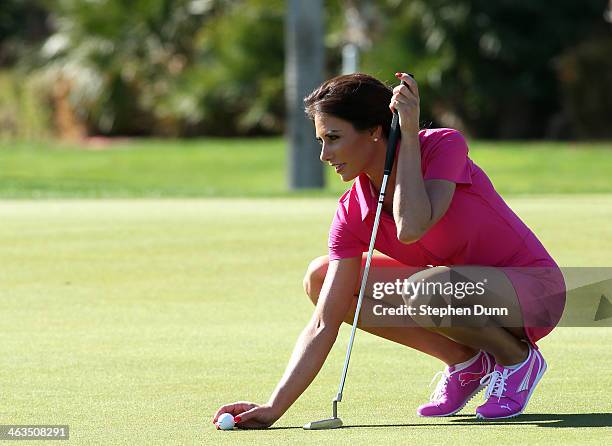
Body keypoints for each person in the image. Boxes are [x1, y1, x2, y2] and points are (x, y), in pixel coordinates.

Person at [212, 72, 566, 428]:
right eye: (321, 140)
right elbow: (324, 322)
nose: (324, 154)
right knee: (320, 279)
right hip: (452, 294)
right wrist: (274, 407)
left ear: (375, 131)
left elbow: (411, 226)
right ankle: (467, 363)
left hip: (533, 293)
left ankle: (518, 360)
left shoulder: (443, 146)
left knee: (424, 291)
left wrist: (408, 135)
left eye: (333, 138)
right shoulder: (351, 211)